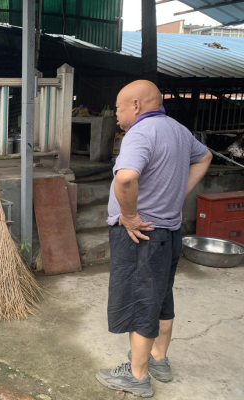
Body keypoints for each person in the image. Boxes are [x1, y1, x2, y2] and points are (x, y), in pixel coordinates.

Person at [96, 80, 212, 397]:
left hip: (142, 235)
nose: (116, 114)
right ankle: (159, 359)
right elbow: (205, 157)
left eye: (118, 108)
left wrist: (130, 215)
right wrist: (178, 194)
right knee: (161, 297)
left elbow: (126, 178)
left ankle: (137, 376)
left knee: (141, 302)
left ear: (135, 106)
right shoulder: (178, 130)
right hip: (169, 232)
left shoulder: (141, 133)